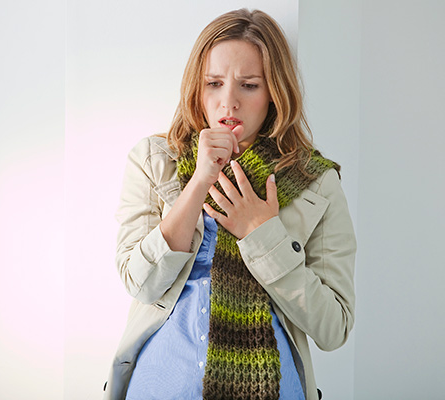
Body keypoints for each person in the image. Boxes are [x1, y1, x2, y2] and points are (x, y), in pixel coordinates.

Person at [102, 8, 356, 400]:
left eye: (249, 85)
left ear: (275, 91)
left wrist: (263, 234)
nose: (228, 103)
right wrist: (199, 182)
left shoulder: (317, 183)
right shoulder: (154, 160)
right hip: (160, 384)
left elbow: (333, 327)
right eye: (214, 83)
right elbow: (141, 283)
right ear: (195, 87)